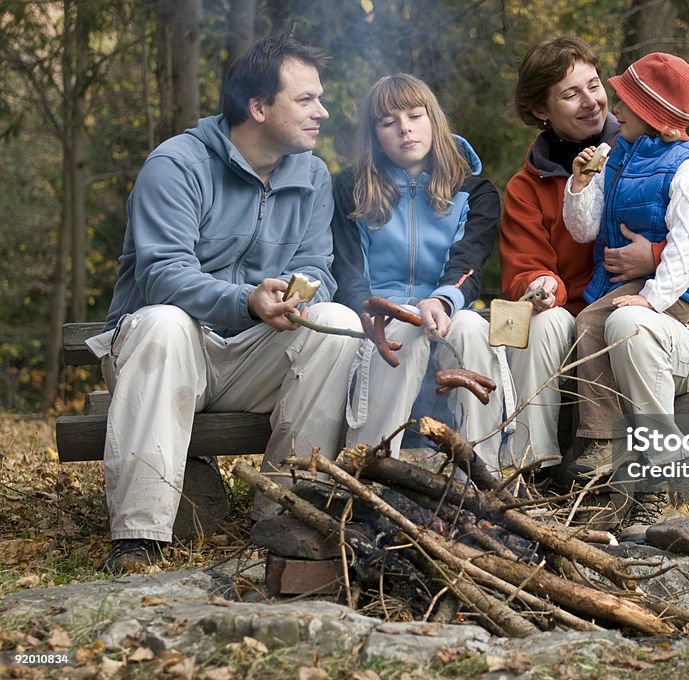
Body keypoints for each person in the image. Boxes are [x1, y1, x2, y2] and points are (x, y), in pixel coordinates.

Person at [87, 35, 365, 572]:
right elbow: (162, 276)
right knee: (163, 322)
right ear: (258, 108)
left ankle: (287, 512)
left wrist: (296, 295)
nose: (322, 112)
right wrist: (246, 299)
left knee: (337, 320)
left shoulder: (310, 175)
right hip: (171, 352)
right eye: (306, 100)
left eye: (320, 98)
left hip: (253, 356)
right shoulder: (177, 165)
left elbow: (318, 268)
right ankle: (137, 540)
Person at [500, 37, 689, 526]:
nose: (593, 100)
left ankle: (642, 485)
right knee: (544, 323)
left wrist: (653, 257)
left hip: (650, 321)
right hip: (578, 329)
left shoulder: (656, 155)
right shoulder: (528, 187)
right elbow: (523, 269)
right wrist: (542, 284)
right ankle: (532, 474)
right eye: (570, 94)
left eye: (594, 85)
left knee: (625, 329)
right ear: (540, 110)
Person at [330, 74, 505, 470]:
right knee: (404, 328)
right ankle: (371, 473)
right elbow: (347, 268)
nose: (404, 128)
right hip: (378, 319)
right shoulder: (351, 187)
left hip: (448, 310)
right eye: (388, 121)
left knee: (474, 329)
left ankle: (482, 482)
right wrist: (374, 308)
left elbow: (469, 264)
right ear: (374, 134)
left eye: (414, 115)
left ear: (434, 120)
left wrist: (441, 300)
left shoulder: (473, 191)